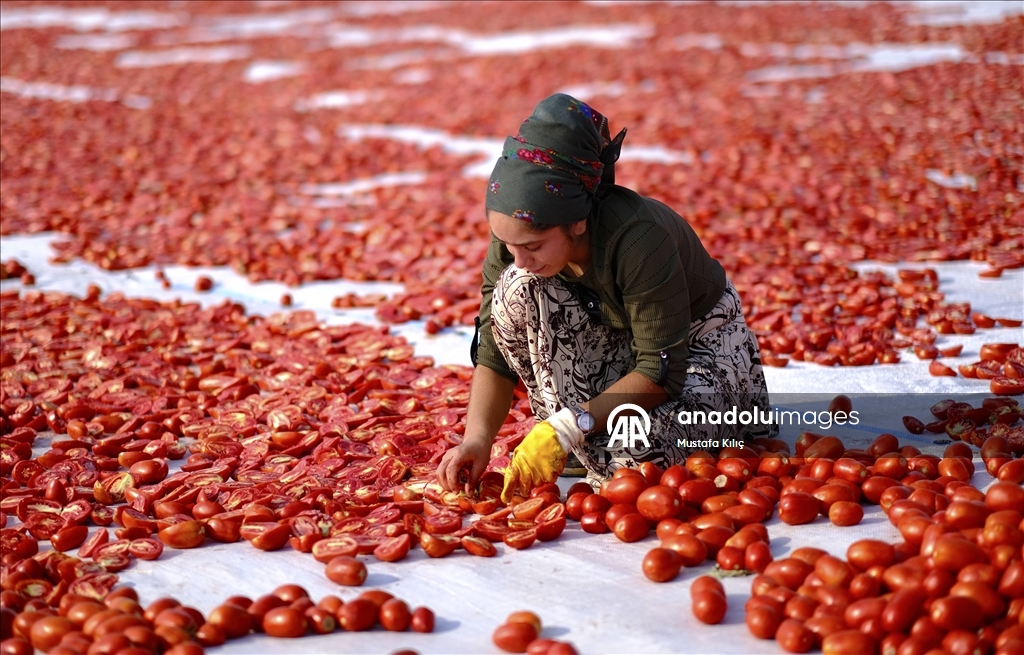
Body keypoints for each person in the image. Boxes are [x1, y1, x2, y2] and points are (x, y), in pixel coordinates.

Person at [436, 93, 774, 502]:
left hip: (694, 350)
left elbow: (659, 371)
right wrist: (477, 440)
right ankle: (580, 430)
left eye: (534, 246)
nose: (519, 257)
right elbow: (492, 350)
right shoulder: (516, 235)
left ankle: (581, 429)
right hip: (621, 346)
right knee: (515, 288)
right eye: (508, 244)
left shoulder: (639, 240)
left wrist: (567, 426)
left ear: (577, 222)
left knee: (636, 459)